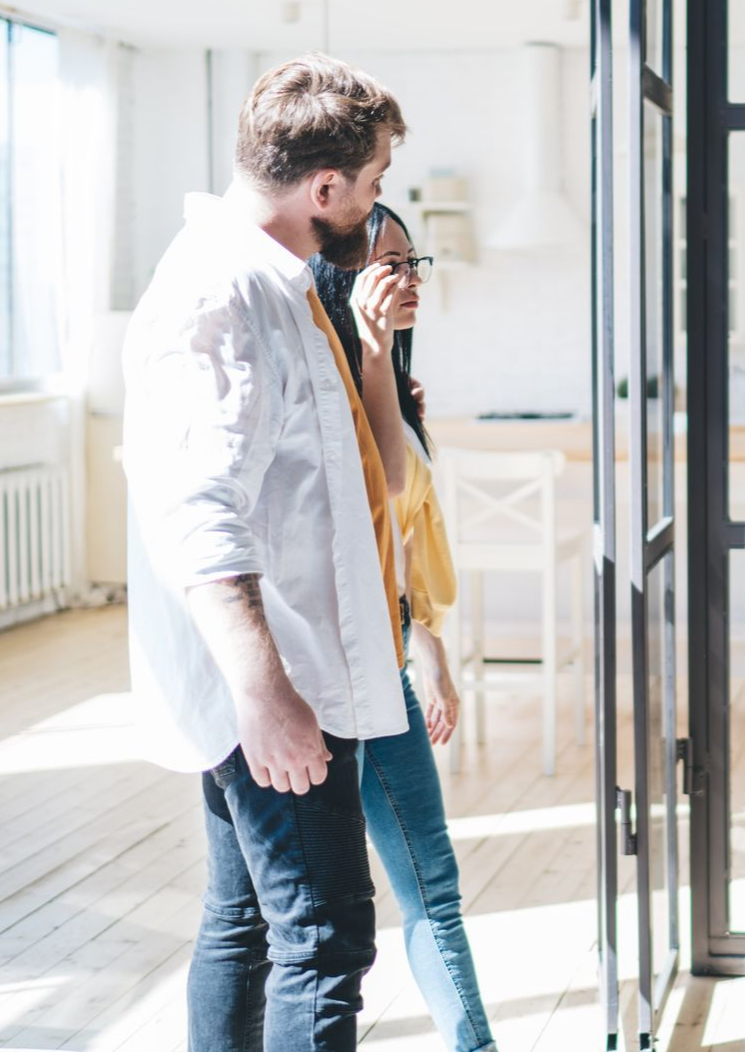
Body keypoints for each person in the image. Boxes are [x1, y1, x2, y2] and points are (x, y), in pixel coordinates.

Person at [123, 53, 411, 1051]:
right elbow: (201, 510)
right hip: (276, 682)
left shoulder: (264, 280)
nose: (375, 203)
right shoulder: (225, 291)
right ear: (324, 188)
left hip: (283, 670)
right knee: (324, 939)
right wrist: (265, 693)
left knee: (247, 921)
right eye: (372, 182)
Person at [312, 202, 497, 1052]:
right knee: (313, 919)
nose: (408, 278)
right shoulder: (336, 376)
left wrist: (435, 658)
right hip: (332, 676)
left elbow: (403, 546)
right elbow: (383, 486)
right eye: (388, 263)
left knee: (432, 886)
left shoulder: (392, 379)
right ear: (341, 274)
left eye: (412, 261)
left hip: (385, 661)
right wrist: (375, 356)